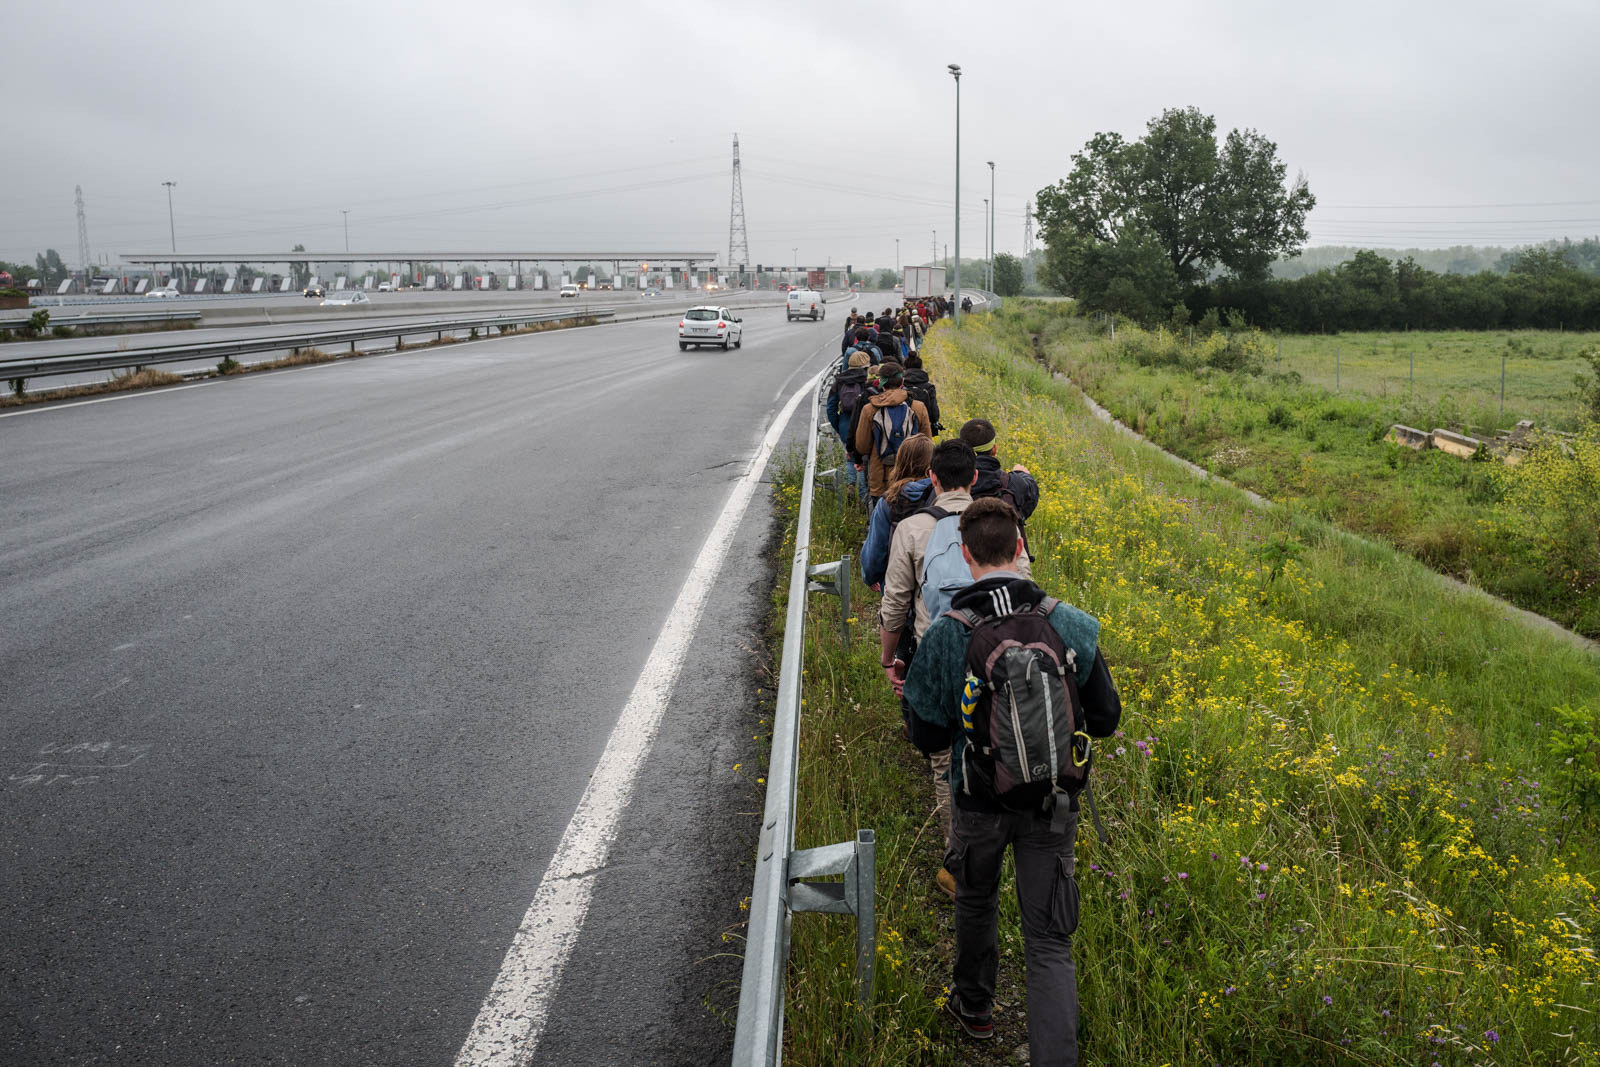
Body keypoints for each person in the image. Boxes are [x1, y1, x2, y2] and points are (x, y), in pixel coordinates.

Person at [903, 497, 1121, 1065]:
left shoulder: (950, 633)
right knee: (1049, 939)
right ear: (1020, 548)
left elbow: (926, 735)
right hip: (1054, 801)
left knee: (976, 900)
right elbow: (1107, 718)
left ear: (967, 556)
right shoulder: (1068, 621)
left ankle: (974, 1007)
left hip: (977, 801)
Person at [879, 441, 1032, 893]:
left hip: (939, 653)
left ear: (932, 478)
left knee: (948, 757)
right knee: (1001, 741)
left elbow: (895, 603)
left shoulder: (911, 527)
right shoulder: (1001, 525)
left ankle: (959, 858)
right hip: (1003, 654)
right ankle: (1009, 841)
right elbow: (1024, 583)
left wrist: (891, 659)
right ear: (973, 480)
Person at [860, 433, 934, 589]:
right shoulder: (940, 496)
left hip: (897, 587)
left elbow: (875, 551)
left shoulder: (889, 501)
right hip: (933, 585)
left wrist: (870, 576)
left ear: (901, 462)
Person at [852, 362, 930, 504]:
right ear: (902, 382)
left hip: (880, 477)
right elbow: (927, 444)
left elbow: (862, 446)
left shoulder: (869, 409)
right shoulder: (918, 407)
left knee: (882, 519)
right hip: (912, 477)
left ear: (881, 383)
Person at [960, 418, 1038, 552]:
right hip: (1003, 560)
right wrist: (1021, 474)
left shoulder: (951, 482)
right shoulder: (1011, 483)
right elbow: (1029, 499)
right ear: (994, 449)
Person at [902, 354, 942, 436]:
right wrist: (934, 422)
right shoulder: (929, 387)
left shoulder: (901, 385)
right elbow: (934, 410)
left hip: (904, 426)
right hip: (923, 426)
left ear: (905, 367)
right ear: (921, 367)